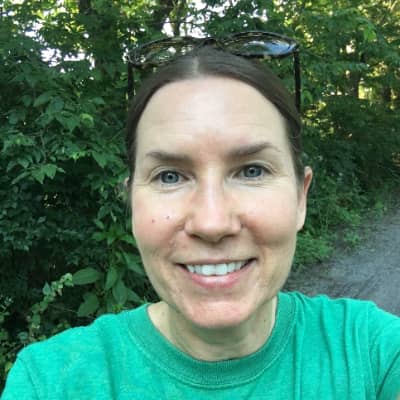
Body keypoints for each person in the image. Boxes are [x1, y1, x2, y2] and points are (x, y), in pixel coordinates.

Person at [2, 46, 400, 400]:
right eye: (170, 176)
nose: (212, 223)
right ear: (131, 202)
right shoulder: (51, 382)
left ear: (300, 198)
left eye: (252, 171)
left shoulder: (374, 354)